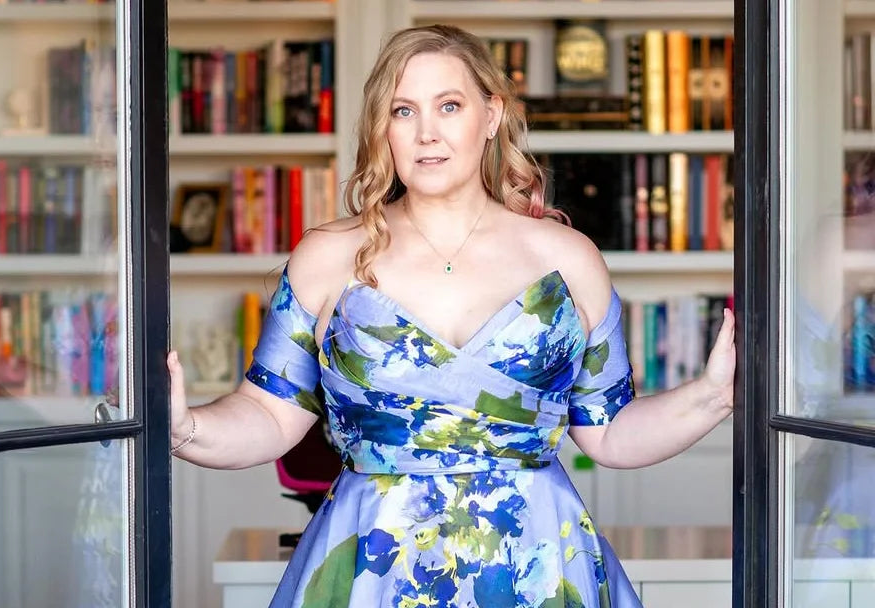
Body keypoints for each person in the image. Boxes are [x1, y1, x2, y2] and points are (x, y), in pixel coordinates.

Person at [167, 24, 736, 607]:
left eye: (449, 105)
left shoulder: (567, 259)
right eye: (404, 110)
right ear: (382, 128)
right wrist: (182, 426)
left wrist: (715, 394)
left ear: (490, 116)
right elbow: (266, 414)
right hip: (375, 568)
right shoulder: (327, 257)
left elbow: (610, 433)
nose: (427, 133)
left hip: (532, 566)